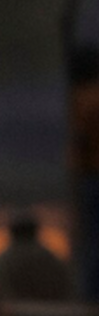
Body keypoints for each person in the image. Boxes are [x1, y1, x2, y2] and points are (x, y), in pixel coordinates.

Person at [70, 45, 99, 302]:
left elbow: (80, 139)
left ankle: (90, 296)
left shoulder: (83, 99)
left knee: (91, 239)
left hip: (91, 175)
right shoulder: (90, 96)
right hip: (91, 175)